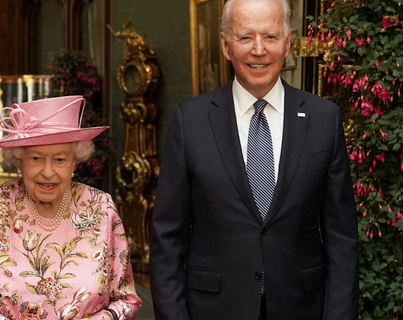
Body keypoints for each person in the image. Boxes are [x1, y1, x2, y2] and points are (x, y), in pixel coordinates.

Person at [149, 0, 358, 319]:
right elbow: (168, 239)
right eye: (245, 37)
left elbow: (341, 238)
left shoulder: (323, 119)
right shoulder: (190, 121)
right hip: (213, 310)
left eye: (271, 37)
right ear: (225, 45)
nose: (258, 50)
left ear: (287, 43)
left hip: (301, 309)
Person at [0, 96, 142, 320]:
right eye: (36, 158)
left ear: (74, 162)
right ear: (19, 161)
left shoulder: (101, 208)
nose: (48, 172)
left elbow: (126, 301)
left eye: (59, 160)